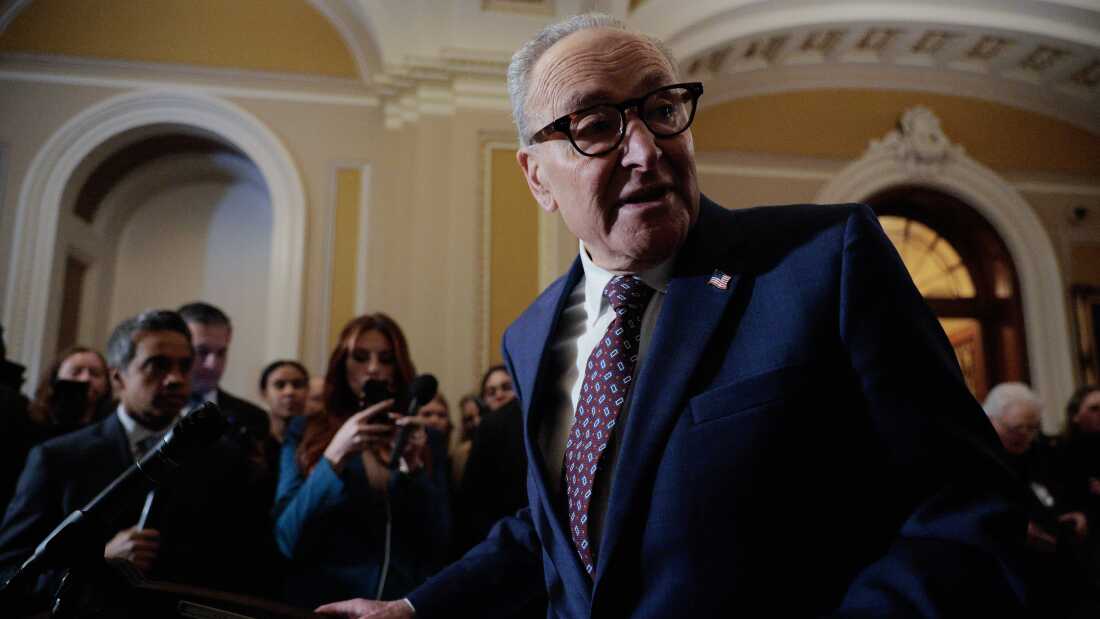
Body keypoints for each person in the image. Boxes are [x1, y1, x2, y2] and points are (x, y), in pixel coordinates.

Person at [317, 13, 1029, 619]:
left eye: (661, 110)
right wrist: (415, 608)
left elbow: (968, 502)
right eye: (597, 124)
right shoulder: (531, 334)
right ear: (536, 176)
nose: (645, 150)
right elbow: (559, 527)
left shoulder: (822, 261)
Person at [0, 310, 267, 613]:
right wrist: (96, 567)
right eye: (158, 365)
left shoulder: (224, 458)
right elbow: (11, 570)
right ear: (118, 377)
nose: (176, 379)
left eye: (184, 366)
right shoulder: (58, 458)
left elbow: (247, 566)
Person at [274, 314, 451, 608]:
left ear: (399, 368)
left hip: (400, 606)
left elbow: (440, 542)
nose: (373, 369)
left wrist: (415, 469)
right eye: (360, 357)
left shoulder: (426, 438)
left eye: (386, 359)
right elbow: (286, 537)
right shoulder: (305, 429)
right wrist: (335, 456)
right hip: (324, 604)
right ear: (342, 364)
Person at [178, 302, 269, 449]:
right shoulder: (150, 412)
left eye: (221, 353)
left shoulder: (253, 418)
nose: (212, 364)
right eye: (202, 352)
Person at [27, 346, 114, 439]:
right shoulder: (31, 426)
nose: (86, 378)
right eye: (76, 372)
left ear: (106, 384)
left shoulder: (112, 429)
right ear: (55, 379)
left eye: (95, 374)